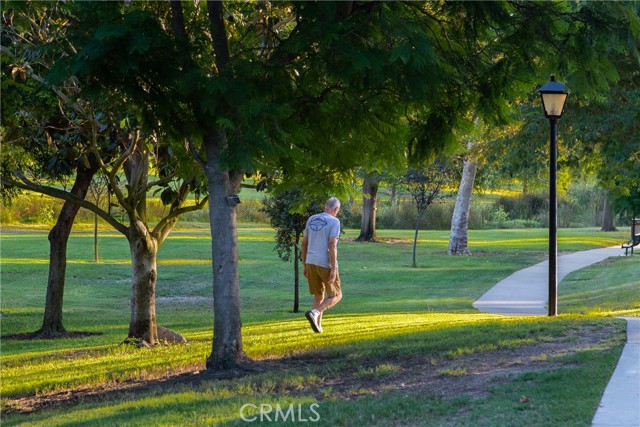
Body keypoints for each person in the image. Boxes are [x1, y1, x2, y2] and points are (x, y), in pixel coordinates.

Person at [302, 197, 343, 333]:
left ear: (325, 206)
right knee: (336, 295)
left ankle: (318, 327)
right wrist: (333, 267)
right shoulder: (334, 221)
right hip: (325, 263)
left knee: (319, 294)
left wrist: (305, 264)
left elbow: (304, 243)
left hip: (311, 261)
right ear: (336, 209)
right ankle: (314, 313)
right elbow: (332, 245)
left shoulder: (311, 219)